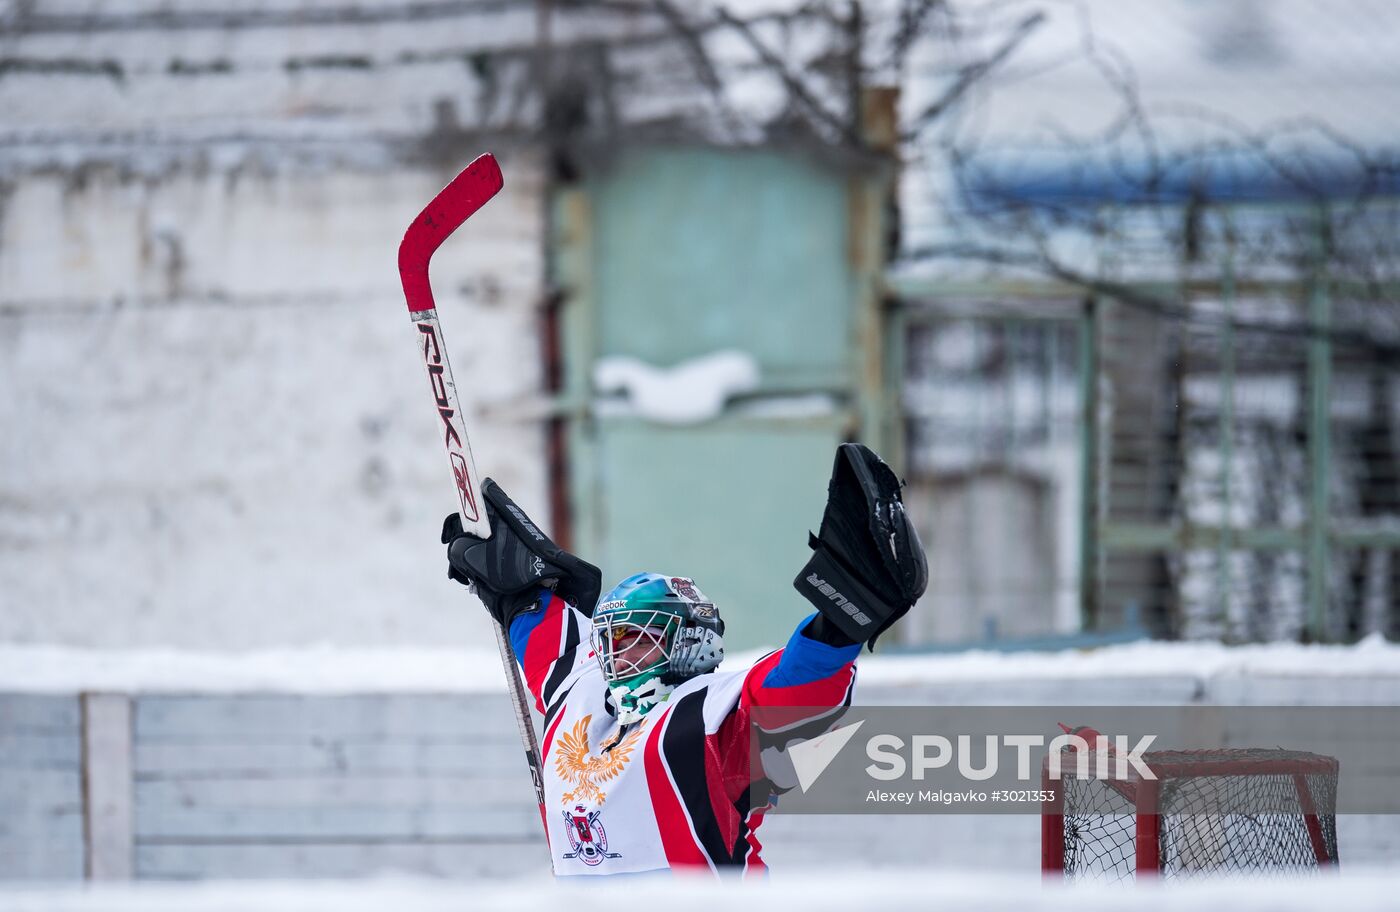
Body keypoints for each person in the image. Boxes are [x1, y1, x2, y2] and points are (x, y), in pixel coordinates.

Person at [440, 443, 927, 876]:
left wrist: (841, 620)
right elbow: (549, 636)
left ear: (688, 643)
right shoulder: (578, 696)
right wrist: (517, 592)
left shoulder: (715, 720)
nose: (616, 653)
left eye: (637, 637)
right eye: (610, 638)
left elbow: (795, 682)